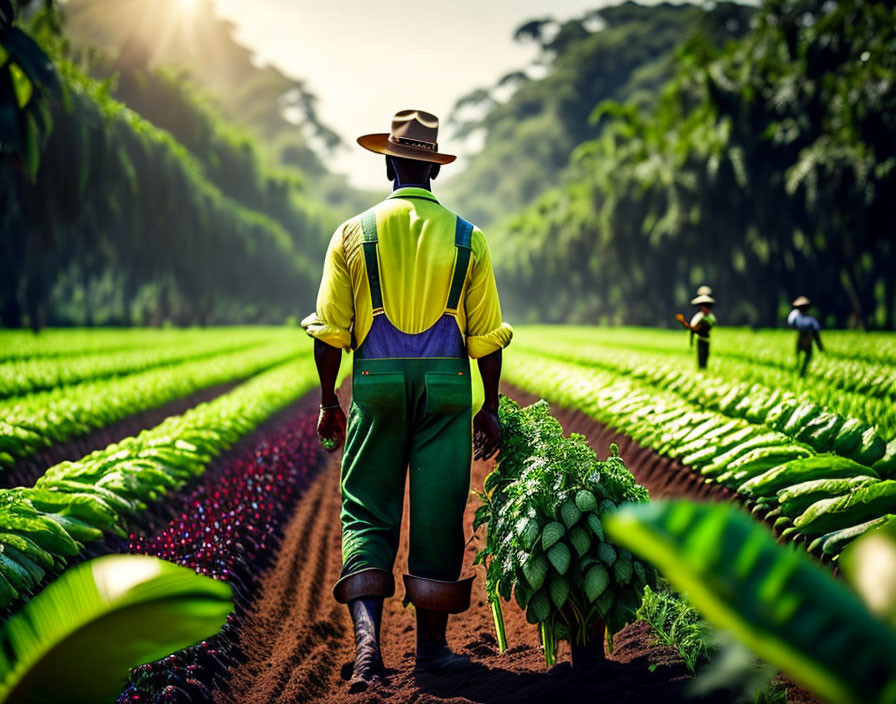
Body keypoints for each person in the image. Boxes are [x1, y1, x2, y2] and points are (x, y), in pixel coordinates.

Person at [301, 109, 513, 684]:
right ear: (435, 172)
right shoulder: (469, 238)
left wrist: (328, 401)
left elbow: (328, 333)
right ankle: (432, 652)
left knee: (367, 508)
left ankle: (369, 647)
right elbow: (486, 337)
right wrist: (489, 406)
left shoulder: (353, 234)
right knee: (440, 510)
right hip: (447, 386)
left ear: (390, 164)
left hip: (376, 384)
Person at [676, 292, 717, 369]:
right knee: (700, 357)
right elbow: (693, 328)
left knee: (705, 356)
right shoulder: (699, 317)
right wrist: (684, 322)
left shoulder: (711, 317)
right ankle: (701, 370)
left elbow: (710, 325)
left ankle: (704, 370)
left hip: (706, 340)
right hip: (700, 340)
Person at [787, 296, 823, 377]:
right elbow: (816, 334)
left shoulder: (796, 319)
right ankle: (802, 373)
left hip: (799, 341)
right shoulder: (811, 320)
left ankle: (798, 373)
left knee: (798, 358)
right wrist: (820, 347)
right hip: (808, 342)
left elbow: (791, 325)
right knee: (807, 358)